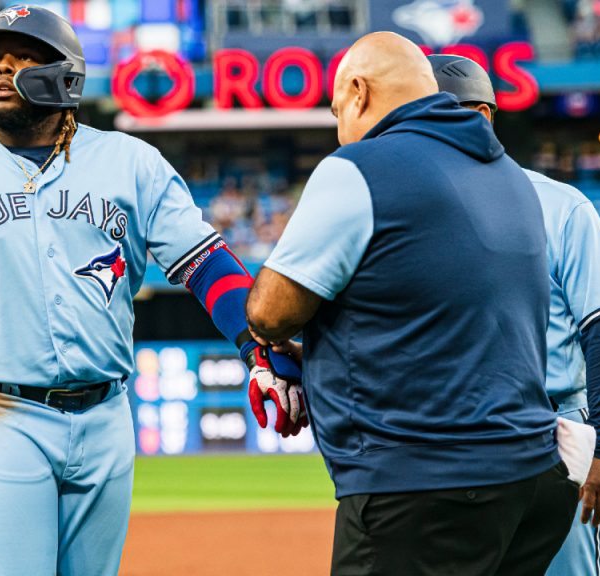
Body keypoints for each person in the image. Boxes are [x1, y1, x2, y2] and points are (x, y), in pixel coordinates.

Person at [0, 6, 303, 575]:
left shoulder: (130, 163)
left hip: (105, 414)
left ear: (65, 76)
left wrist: (254, 345)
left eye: (21, 58)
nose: (0, 70)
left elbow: (205, 262)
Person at [245, 32, 578, 575]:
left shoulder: (359, 167)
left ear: (358, 92)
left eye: (336, 112)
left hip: (423, 488)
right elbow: (445, 319)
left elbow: (269, 313)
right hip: (532, 483)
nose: (339, 130)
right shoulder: (510, 177)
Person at [429, 53, 600, 576]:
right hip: (452, 440)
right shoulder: (415, 211)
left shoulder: (559, 204)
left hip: (553, 432)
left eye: (437, 115)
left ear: (482, 115)